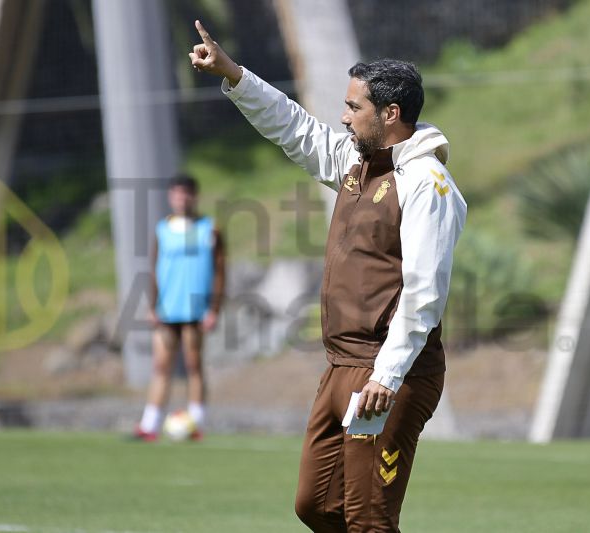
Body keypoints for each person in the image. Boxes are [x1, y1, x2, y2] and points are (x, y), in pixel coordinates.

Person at [189, 20, 466, 531]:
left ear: (391, 114)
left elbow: (425, 291)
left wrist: (387, 374)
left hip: (388, 375)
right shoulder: (356, 163)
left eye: (353, 108)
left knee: (367, 519)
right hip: (341, 365)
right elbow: (295, 127)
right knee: (316, 505)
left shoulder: (427, 183)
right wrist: (233, 75)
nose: (342, 117)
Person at [133, 174, 225, 441]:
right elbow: (155, 269)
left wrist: (214, 308)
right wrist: (152, 305)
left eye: (186, 193)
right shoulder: (162, 230)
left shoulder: (210, 228)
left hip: (196, 309)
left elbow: (220, 270)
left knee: (194, 365)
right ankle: (149, 425)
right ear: (171, 197)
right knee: (161, 366)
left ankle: (195, 423)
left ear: (194, 196)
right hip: (166, 310)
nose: (181, 198)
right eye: (176, 193)